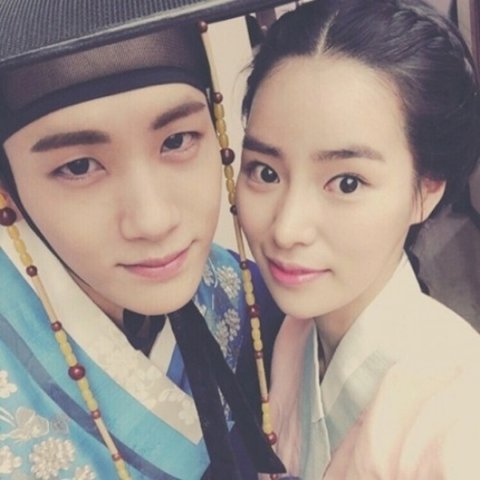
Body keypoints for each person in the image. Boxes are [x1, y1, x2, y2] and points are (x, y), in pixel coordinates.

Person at [0, 1, 290, 479]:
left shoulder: (244, 294)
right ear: (7, 186)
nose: (153, 221)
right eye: (79, 166)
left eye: (177, 141)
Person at [236, 0, 480, 478]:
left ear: (427, 189)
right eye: (265, 172)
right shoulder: (296, 335)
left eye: (347, 183)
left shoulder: (462, 416)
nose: (286, 229)